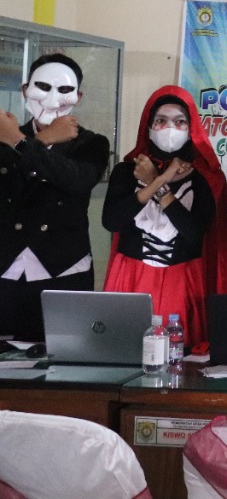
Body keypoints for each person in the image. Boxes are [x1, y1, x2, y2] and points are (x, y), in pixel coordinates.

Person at [102, 86, 227, 346]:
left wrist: (157, 184)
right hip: (131, 275)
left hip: (181, 279)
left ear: (191, 128)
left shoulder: (206, 178)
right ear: (148, 125)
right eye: (161, 120)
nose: (170, 128)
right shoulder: (127, 171)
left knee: (180, 355)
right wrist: (159, 179)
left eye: (180, 121)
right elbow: (112, 221)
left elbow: (194, 233)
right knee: (125, 348)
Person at [0, 54, 110, 341]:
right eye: (43, 87)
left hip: (64, 269)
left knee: (65, 352)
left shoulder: (92, 143)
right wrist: (38, 140)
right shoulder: (5, 136)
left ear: (78, 96)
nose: (52, 99)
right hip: (7, 268)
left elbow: (77, 180)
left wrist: (21, 143)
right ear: (25, 90)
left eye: (64, 90)